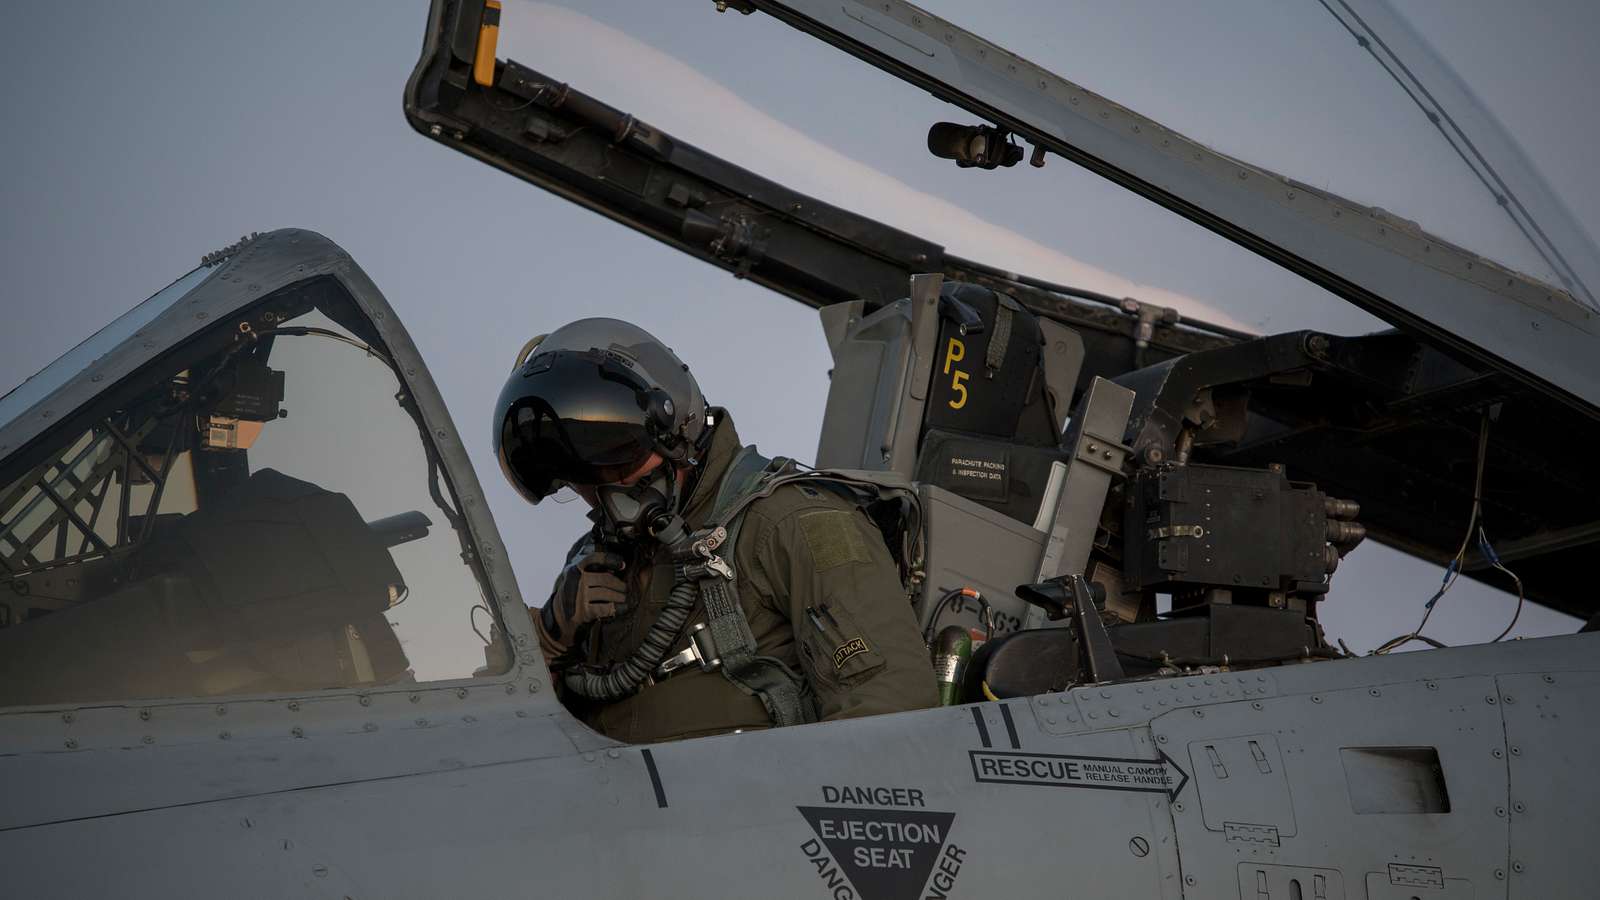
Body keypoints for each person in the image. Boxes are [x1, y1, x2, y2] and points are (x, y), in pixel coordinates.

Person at [494, 318, 938, 743]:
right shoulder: (595, 568)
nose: (608, 494)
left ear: (674, 430)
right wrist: (551, 638)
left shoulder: (792, 522)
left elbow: (890, 719)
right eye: (584, 482)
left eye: (621, 461)